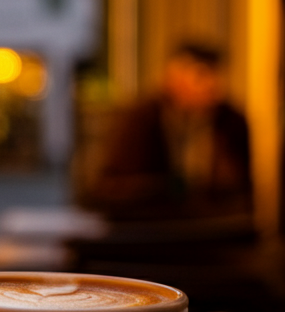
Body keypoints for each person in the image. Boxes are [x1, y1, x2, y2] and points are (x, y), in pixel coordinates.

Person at [91, 42, 251, 220]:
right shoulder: (140, 119)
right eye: (201, 75)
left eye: (216, 75)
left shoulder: (231, 121)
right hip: (151, 228)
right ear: (173, 77)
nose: (212, 85)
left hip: (211, 227)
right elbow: (112, 188)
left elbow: (242, 187)